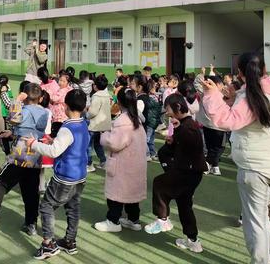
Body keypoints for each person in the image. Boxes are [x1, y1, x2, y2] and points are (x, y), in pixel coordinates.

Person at [203, 52, 270, 264]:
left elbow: (227, 121)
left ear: (240, 72)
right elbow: (251, 114)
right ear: (264, 69)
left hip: (255, 169)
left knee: (254, 221)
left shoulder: (251, 97)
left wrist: (213, 95)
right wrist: (234, 97)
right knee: (260, 216)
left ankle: (261, 261)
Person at [0, 83, 49, 235]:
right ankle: (31, 223)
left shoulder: (24, 110)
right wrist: (14, 133)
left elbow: (13, 118)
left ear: (25, 96)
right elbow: (31, 130)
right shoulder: (45, 113)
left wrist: (17, 101)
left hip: (19, 157)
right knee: (31, 193)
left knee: (1, 183)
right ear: (40, 98)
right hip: (35, 158)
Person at [26, 89, 89, 259]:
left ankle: (48, 244)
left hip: (65, 177)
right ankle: (70, 241)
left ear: (65, 106)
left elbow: (53, 152)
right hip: (80, 175)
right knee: (73, 208)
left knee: (46, 206)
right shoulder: (83, 124)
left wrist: (34, 144)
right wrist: (54, 140)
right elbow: (71, 145)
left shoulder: (67, 128)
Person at [145, 93, 207, 254]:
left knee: (159, 183)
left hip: (187, 172)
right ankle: (193, 241)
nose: (167, 113)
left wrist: (176, 138)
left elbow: (191, 148)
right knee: (184, 204)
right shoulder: (185, 125)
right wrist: (173, 141)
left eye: (168, 109)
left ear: (178, 107)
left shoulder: (189, 127)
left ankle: (162, 219)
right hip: (191, 172)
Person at [94, 87, 147, 233]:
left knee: (116, 194)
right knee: (132, 195)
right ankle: (133, 220)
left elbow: (115, 143)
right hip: (136, 163)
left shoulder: (123, 122)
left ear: (120, 102)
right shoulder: (136, 118)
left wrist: (104, 134)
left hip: (122, 164)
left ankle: (113, 220)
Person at [197, 75, 226, 176]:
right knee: (218, 147)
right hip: (218, 126)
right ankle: (208, 164)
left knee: (212, 146)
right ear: (217, 85)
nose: (223, 86)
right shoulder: (219, 95)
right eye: (221, 84)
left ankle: (215, 166)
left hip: (208, 125)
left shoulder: (204, 94)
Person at [86, 74, 110, 172]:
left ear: (95, 86)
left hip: (94, 125)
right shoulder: (107, 95)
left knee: (89, 146)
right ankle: (103, 162)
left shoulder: (96, 96)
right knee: (98, 145)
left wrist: (87, 115)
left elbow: (92, 112)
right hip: (103, 125)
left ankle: (89, 164)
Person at [50, 72, 72, 138]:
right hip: (65, 116)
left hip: (59, 117)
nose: (61, 82)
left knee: (56, 134)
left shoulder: (62, 90)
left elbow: (54, 98)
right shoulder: (69, 89)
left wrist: (50, 95)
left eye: (63, 81)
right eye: (60, 80)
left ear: (68, 83)